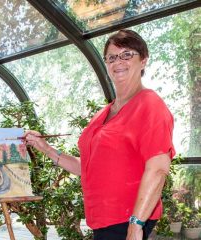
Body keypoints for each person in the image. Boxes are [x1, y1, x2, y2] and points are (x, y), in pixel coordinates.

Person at [24, 29, 175, 240]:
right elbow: (86, 167)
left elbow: (158, 170)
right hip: (103, 221)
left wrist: (136, 225)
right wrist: (45, 148)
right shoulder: (103, 114)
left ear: (143, 61)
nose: (118, 62)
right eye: (112, 57)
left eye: (127, 55)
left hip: (127, 221)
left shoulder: (150, 105)